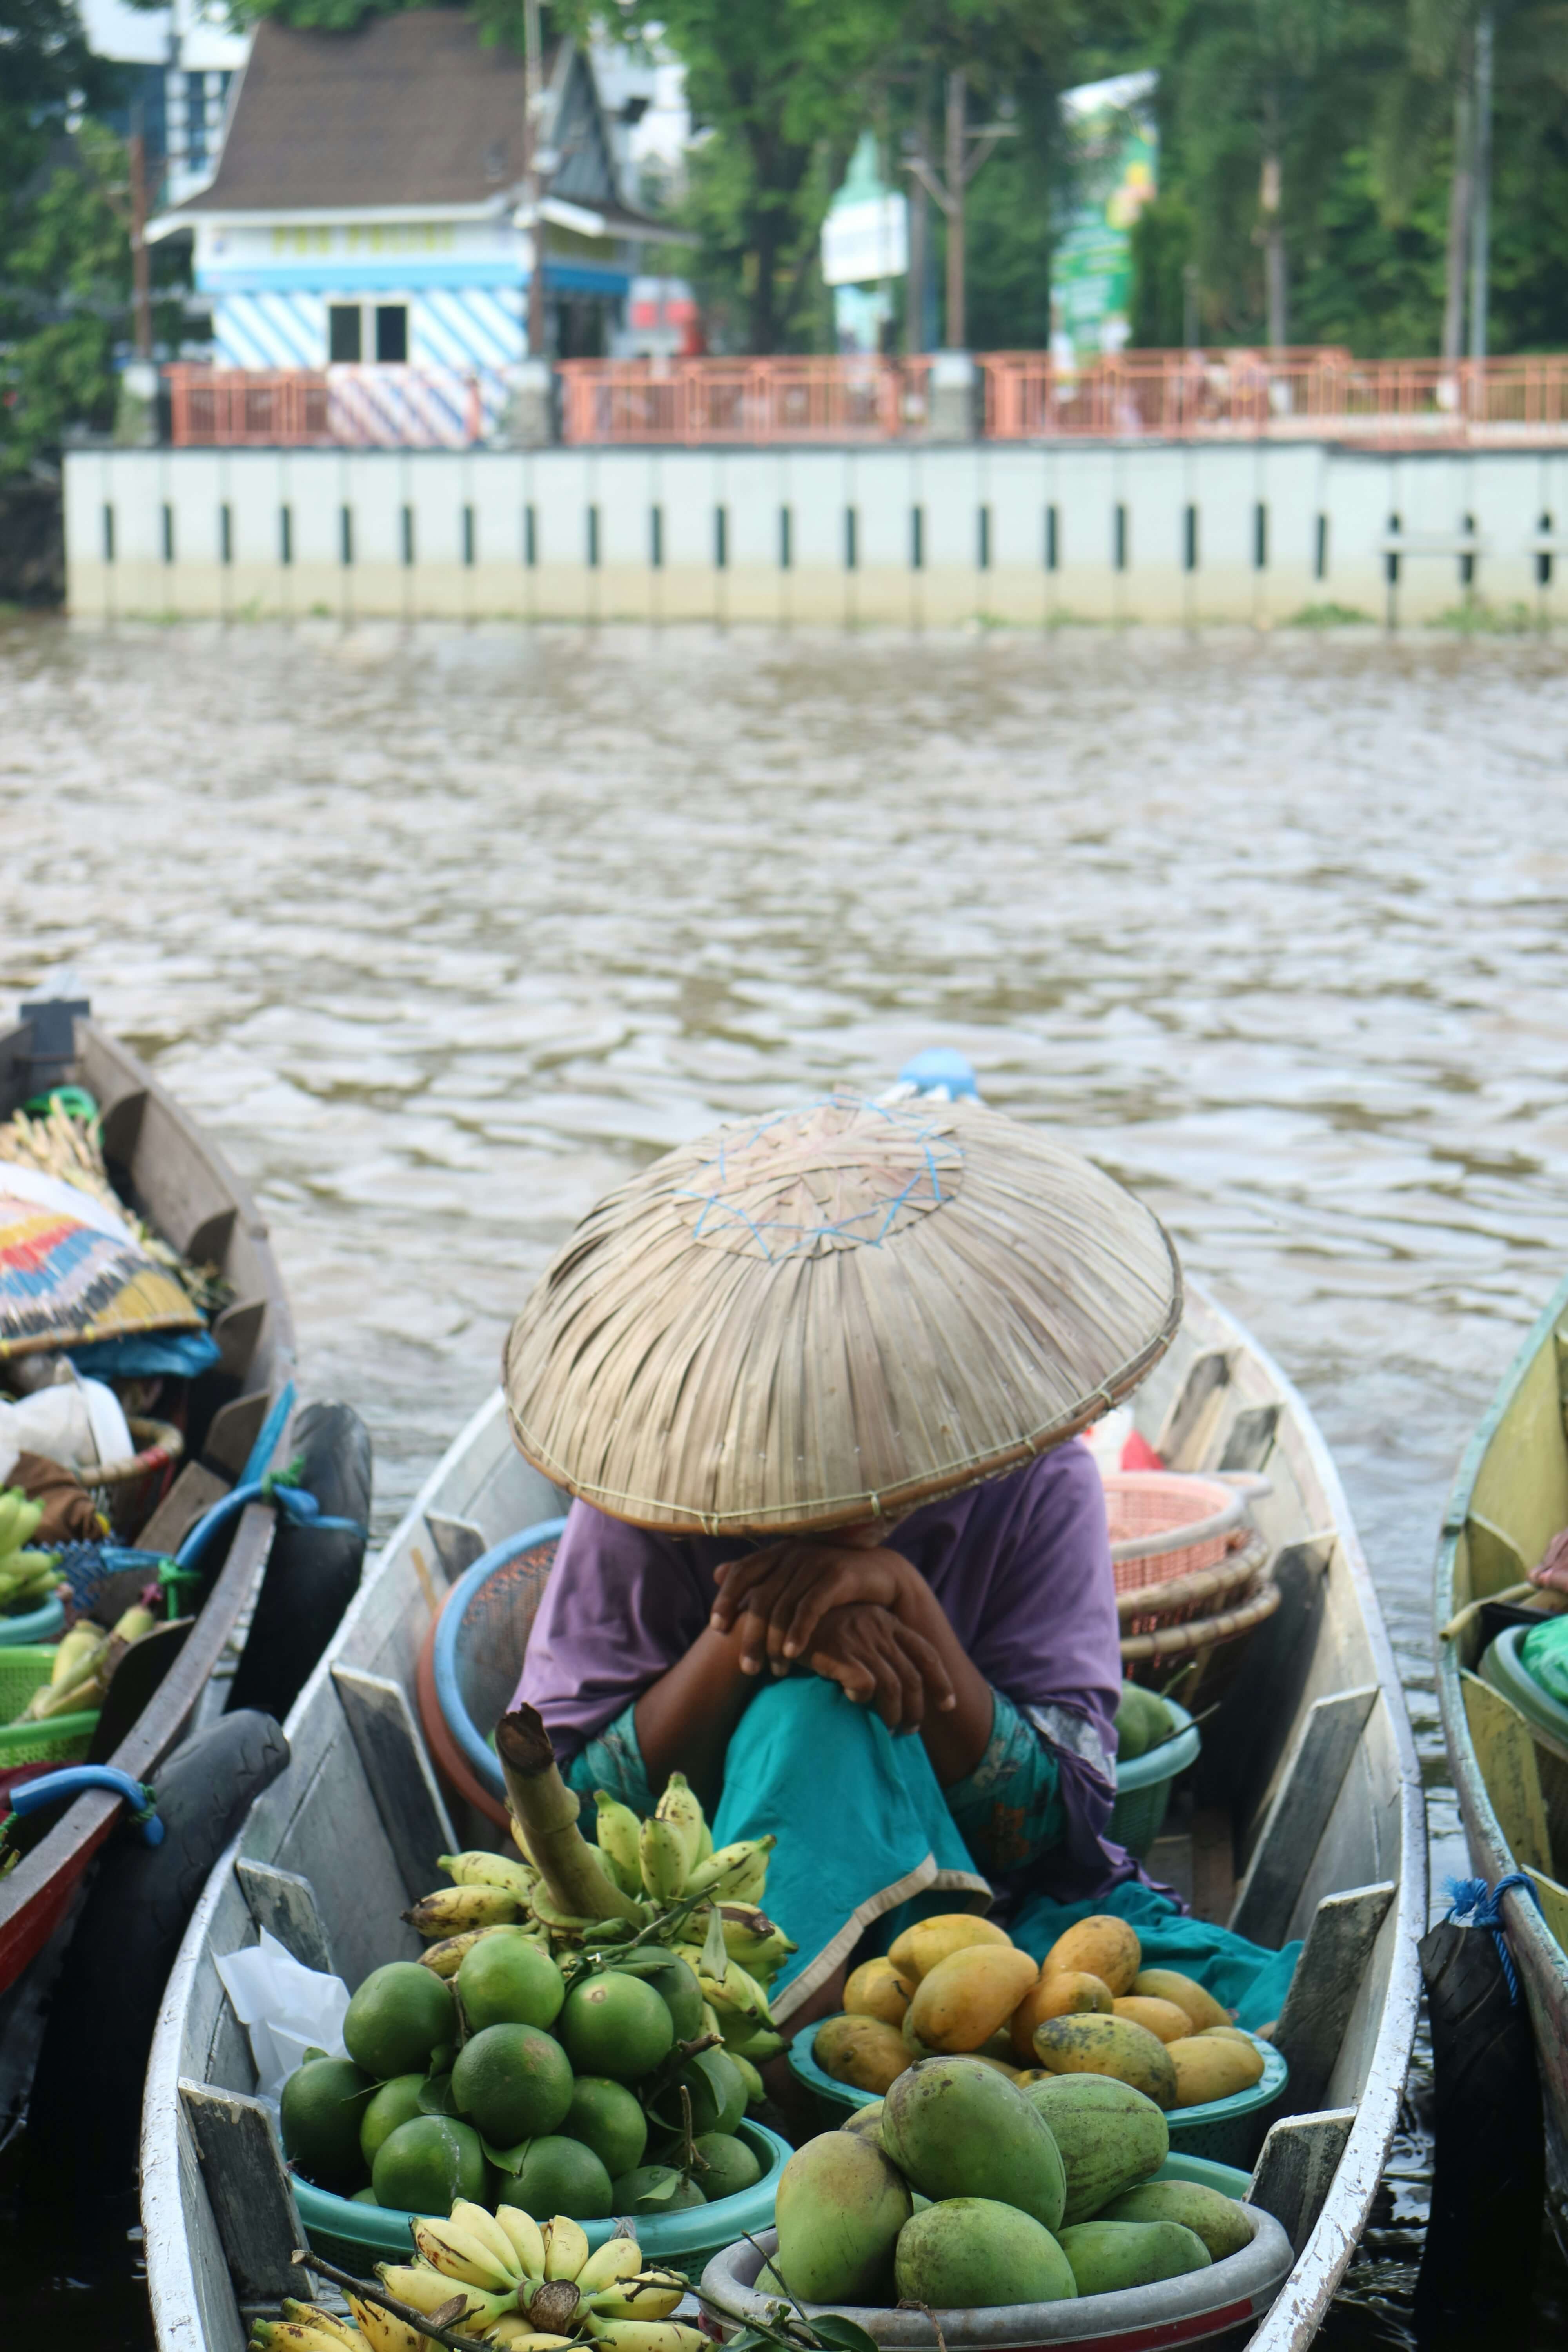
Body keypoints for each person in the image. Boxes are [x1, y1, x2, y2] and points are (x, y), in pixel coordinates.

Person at [515, 1435, 1297, 2034]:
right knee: (811, 1716)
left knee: (827, 1718)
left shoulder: (1032, 1476)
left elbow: (1052, 1827)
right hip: (676, 1933)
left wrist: (903, 1599)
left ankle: (789, 2061)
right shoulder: (643, 1488)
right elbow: (562, 1820)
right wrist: (754, 1630)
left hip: (972, 1918)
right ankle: (774, 2048)